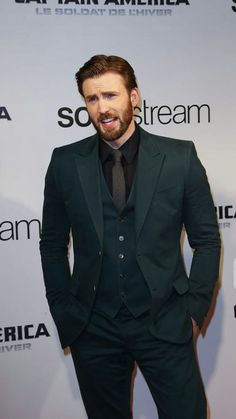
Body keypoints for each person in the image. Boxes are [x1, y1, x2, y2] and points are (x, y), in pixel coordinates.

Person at [40, 55, 221, 419]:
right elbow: (52, 244)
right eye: (92, 99)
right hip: (94, 327)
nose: (102, 108)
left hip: (166, 321)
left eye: (110, 95)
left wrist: (193, 309)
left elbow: (207, 240)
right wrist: (64, 310)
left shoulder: (179, 157)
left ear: (134, 96)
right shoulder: (64, 162)